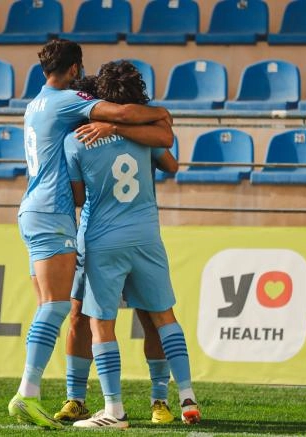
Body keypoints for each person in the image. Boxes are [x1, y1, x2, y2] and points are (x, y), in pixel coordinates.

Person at [8, 40, 173, 430]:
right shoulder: (68, 100)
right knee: (57, 308)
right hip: (54, 213)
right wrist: (160, 113)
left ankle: (56, 397)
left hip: (33, 210)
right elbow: (123, 113)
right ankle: (28, 394)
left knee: (54, 307)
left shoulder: (34, 105)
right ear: (74, 69)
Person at [63, 61, 201, 429]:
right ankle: (186, 396)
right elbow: (171, 164)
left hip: (101, 240)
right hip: (146, 237)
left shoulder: (76, 140)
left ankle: (113, 409)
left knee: (100, 323)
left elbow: (78, 197)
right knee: (163, 317)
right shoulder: (146, 136)